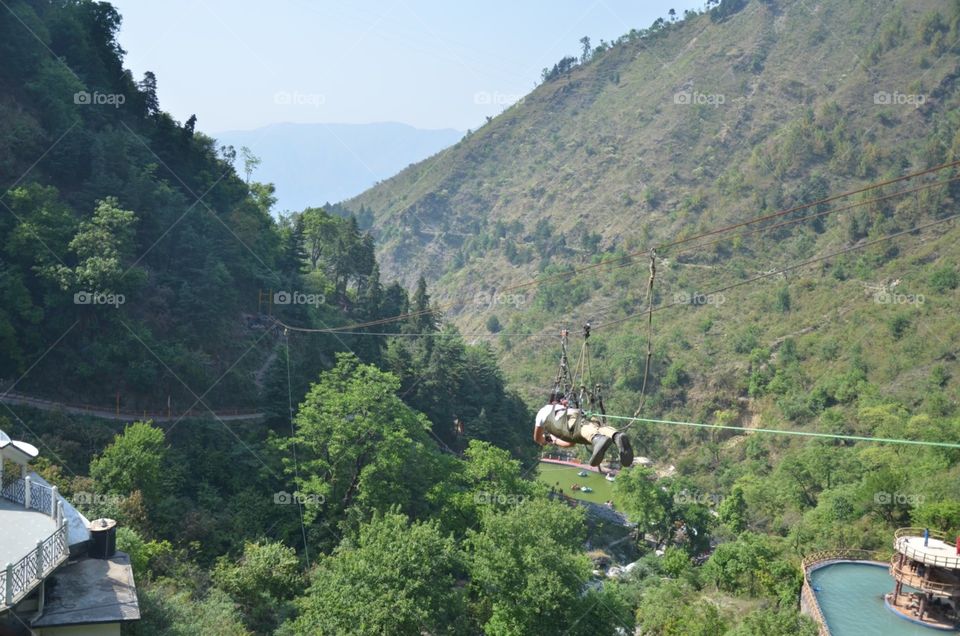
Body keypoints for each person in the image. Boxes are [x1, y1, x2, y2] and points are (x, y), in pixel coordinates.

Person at [534, 402, 633, 467]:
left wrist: (547, 440)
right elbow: (571, 443)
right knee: (597, 428)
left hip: (567, 420)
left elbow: (537, 438)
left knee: (578, 429)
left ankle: (597, 438)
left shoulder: (543, 412)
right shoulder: (568, 407)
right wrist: (555, 440)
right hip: (582, 415)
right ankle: (616, 435)